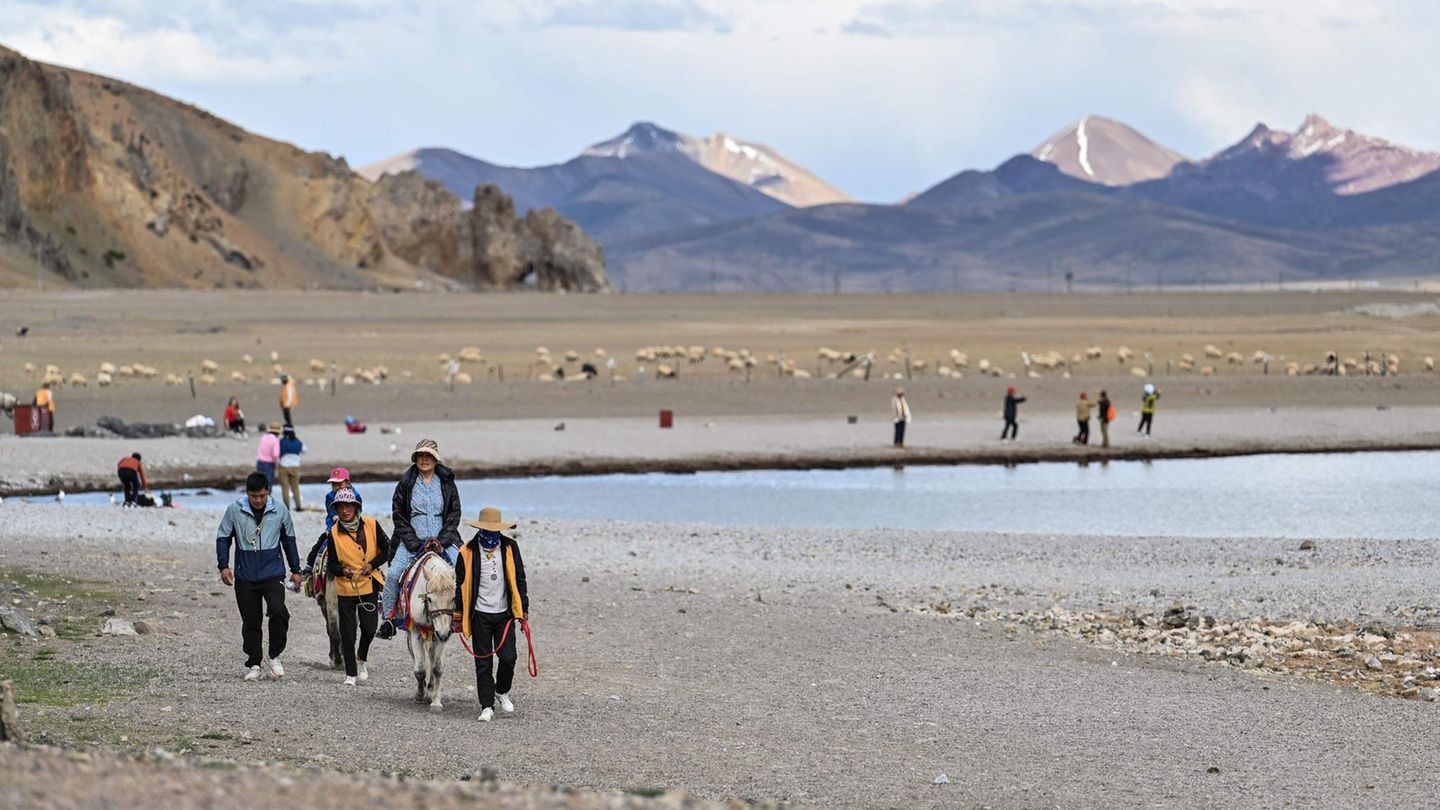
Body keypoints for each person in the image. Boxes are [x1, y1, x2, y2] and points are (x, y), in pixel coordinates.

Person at [215, 471, 302, 681]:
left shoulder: (280, 510)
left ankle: (274, 655)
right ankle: (254, 663)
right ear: (247, 493)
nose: (258, 500)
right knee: (251, 621)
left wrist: (296, 570)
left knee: (279, 611)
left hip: (273, 573)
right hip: (245, 575)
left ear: (268, 492)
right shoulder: (235, 510)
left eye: (262, 495)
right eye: (254, 496)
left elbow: (289, 540)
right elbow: (223, 537)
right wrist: (223, 566)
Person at [377, 439, 462, 639]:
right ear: (415, 459)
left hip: (444, 539)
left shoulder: (447, 483)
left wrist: (442, 540)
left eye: (429, 456)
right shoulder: (405, 484)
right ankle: (389, 619)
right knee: (393, 574)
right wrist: (415, 543)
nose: (424, 460)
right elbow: (398, 516)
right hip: (411, 540)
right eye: (421, 456)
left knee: (464, 569)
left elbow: (454, 514)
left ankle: (462, 614)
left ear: (436, 459)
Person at [452, 506, 528, 722]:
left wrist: (523, 610)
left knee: (508, 657)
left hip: (505, 614)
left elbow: (520, 579)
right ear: (480, 528)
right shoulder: (467, 552)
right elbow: (460, 585)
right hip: (480, 614)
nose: (491, 533)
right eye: (487, 529)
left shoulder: (510, 547)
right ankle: (487, 706)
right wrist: (458, 614)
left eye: (495, 530)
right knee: (483, 662)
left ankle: (501, 690)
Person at [322, 488, 389, 686]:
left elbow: (388, 548)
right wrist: (343, 571)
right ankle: (351, 674)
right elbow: (332, 564)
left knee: (369, 628)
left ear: (355, 507)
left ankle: (362, 656)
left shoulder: (372, 524)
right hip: (346, 588)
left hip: (369, 584)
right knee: (348, 632)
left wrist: (373, 564)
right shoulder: (333, 533)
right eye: (340, 507)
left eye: (348, 506)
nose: (344, 510)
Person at [277, 425, 305, 511]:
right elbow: (304, 450)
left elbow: (278, 452)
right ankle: (298, 506)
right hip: (295, 467)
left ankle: (287, 506)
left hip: (284, 466)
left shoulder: (281, 442)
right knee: (295, 487)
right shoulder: (298, 442)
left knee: (285, 487)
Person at [255, 422, 281, 488]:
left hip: (259, 462)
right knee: (267, 486)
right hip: (268, 464)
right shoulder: (275, 440)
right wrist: (277, 464)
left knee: (260, 485)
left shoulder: (264, 437)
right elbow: (275, 454)